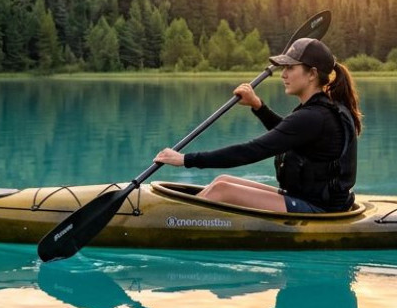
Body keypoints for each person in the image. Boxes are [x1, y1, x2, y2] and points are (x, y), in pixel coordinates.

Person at [153, 38, 362, 213]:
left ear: (312, 74)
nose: (283, 74)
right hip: (311, 198)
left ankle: (173, 222)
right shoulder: (321, 110)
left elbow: (251, 151)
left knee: (222, 191)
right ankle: (177, 217)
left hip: (320, 208)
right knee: (221, 181)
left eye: (290, 68)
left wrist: (185, 159)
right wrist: (258, 106)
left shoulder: (314, 116)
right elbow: (288, 134)